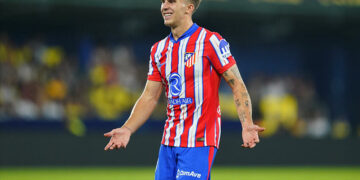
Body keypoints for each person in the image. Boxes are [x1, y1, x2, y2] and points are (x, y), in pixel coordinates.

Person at [104, 0, 265, 179]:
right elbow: (149, 96)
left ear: (189, 8)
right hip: (169, 141)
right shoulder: (158, 50)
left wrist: (247, 124)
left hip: (200, 139)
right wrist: (127, 129)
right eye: (163, 1)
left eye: (172, 1)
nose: (165, 6)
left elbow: (237, 85)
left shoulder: (210, 41)